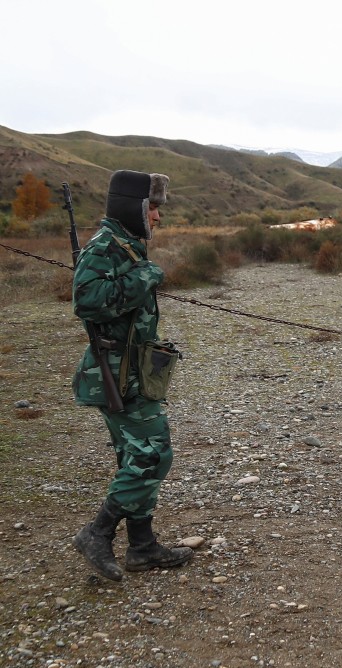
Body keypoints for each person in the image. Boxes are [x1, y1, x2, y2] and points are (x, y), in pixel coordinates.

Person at [71, 170, 192, 581]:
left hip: (134, 371)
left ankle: (142, 547)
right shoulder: (105, 247)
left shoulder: (127, 245)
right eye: (152, 208)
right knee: (152, 454)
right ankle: (97, 532)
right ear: (133, 207)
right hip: (116, 373)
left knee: (133, 457)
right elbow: (87, 301)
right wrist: (148, 275)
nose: (157, 217)